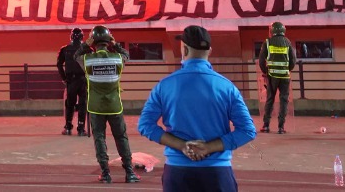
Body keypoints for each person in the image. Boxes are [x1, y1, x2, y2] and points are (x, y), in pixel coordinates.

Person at [138, 25, 256, 191]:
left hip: (178, 172)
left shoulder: (165, 85)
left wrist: (182, 146)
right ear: (210, 51)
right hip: (217, 172)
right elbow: (247, 131)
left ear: (184, 49)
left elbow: (145, 125)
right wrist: (208, 148)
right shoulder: (227, 87)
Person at [81, 25, 141, 184]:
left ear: (93, 42)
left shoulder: (87, 60)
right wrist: (115, 43)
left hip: (95, 107)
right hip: (115, 106)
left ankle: (105, 173)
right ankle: (129, 173)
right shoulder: (117, 58)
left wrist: (86, 44)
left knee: (99, 138)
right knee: (121, 137)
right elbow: (126, 54)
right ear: (108, 41)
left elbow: (76, 55)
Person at [258, 21, 296, 134]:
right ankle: (281, 127)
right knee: (284, 100)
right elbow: (293, 60)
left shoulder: (267, 42)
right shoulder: (287, 42)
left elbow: (261, 60)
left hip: (272, 76)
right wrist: (287, 69)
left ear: (272, 31)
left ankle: (266, 125)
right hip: (285, 76)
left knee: (270, 99)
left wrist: (265, 72)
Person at [57, 27, 88, 136]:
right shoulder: (87, 49)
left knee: (70, 104)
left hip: (71, 80)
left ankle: (68, 127)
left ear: (71, 36)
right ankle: (81, 128)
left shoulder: (65, 49)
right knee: (83, 104)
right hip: (84, 80)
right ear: (82, 37)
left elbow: (59, 64)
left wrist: (64, 78)